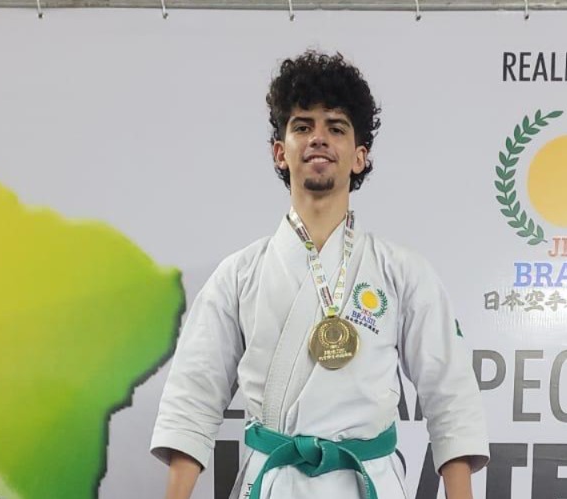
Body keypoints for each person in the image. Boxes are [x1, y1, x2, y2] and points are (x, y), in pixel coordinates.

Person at [151, 50, 489, 499]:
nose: (318, 139)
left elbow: (451, 395)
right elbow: (193, 396)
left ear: (359, 156)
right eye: (302, 126)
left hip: (366, 483)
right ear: (280, 153)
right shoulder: (238, 275)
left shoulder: (403, 272)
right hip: (273, 483)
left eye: (336, 127)